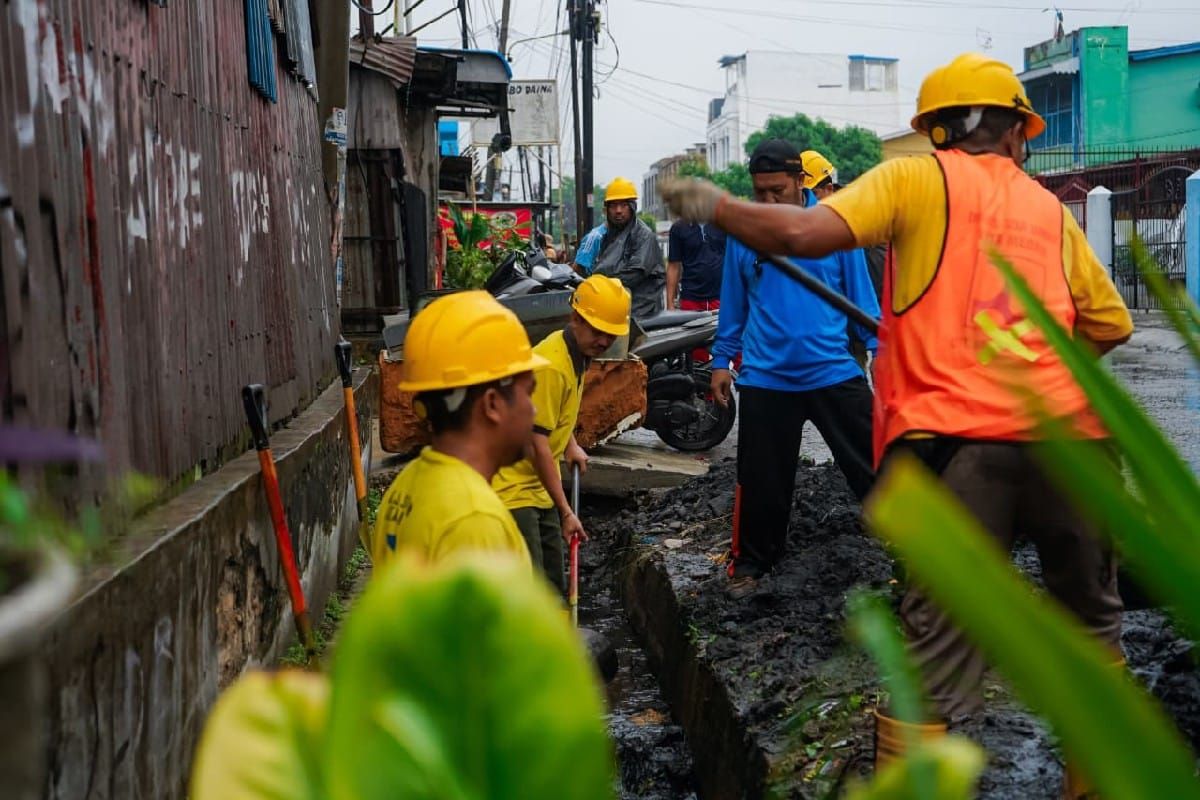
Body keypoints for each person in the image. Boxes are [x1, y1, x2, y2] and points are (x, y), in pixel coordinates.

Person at [661, 53, 1134, 797]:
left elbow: (802, 235)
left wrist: (716, 207)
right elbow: (1110, 323)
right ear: (1016, 132)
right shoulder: (1048, 208)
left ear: (937, 131)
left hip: (961, 450)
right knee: (1093, 634)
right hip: (1073, 448)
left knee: (935, 659)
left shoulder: (915, 178)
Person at [712, 138, 881, 599]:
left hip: (833, 371)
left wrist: (878, 349)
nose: (768, 202)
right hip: (766, 378)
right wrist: (721, 360)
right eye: (760, 192)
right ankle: (752, 565)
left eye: (778, 191)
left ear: (800, 183)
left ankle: (918, 548)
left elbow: (862, 299)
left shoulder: (835, 226)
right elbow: (733, 305)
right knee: (760, 483)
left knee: (879, 464)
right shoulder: (745, 233)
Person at [372, 291, 548, 572]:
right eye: (528, 393)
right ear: (492, 404)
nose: (534, 410)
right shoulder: (475, 521)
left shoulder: (404, 487)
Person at [493, 275, 631, 593]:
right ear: (576, 318)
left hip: (539, 487)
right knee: (529, 589)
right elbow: (537, 444)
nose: (603, 341)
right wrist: (567, 512)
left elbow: (549, 417)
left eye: (610, 334)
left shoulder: (574, 353)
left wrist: (570, 445)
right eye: (597, 331)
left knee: (553, 584)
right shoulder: (552, 366)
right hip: (513, 491)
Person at [581, 177, 666, 319]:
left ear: (632, 207)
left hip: (640, 311)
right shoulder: (608, 236)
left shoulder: (644, 236)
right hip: (616, 307)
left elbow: (633, 274)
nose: (618, 211)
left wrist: (599, 284)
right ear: (607, 209)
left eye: (623, 205)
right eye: (613, 206)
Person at [666, 219, 726, 311]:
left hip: (721, 297)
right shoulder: (678, 228)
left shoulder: (724, 223)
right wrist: (670, 305)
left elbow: (734, 260)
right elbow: (674, 266)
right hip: (690, 299)